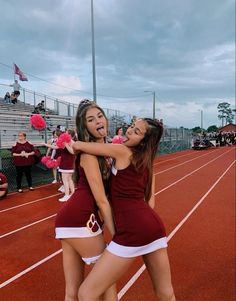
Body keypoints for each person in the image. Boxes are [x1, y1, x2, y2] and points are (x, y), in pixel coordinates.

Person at [73, 118, 176, 301]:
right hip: (153, 227)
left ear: (144, 141)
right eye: (131, 127)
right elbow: (150, 202)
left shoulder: (122, 151)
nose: (129, 131)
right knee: (165, 293)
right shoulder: (147, 162)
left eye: (136, 132)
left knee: (86, 293)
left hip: (131, 230)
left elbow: (83, 146)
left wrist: (73, 144)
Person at [55, 100, 117, 301]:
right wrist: (117, 234)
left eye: (100, 116)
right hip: (81, 218)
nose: (98, 121)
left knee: (72, 292)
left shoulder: (103, 152)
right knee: (107, 282)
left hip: (69, 219)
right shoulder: (90, 155)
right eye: (91, 119)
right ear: (85, 128)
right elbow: (102, 201)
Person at [43, 129, 76, 202]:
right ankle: (73, 193)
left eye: (66, 134)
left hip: (68, 163)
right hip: (65, 162)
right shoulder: (66, 142)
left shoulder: (72, 142)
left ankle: (67, 195)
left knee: (65, 180)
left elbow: (73, 152)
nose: (64, 134)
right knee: (69, 179)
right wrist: (45, 144)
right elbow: (56, 147)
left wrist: (66, 144)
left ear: (70, 135)